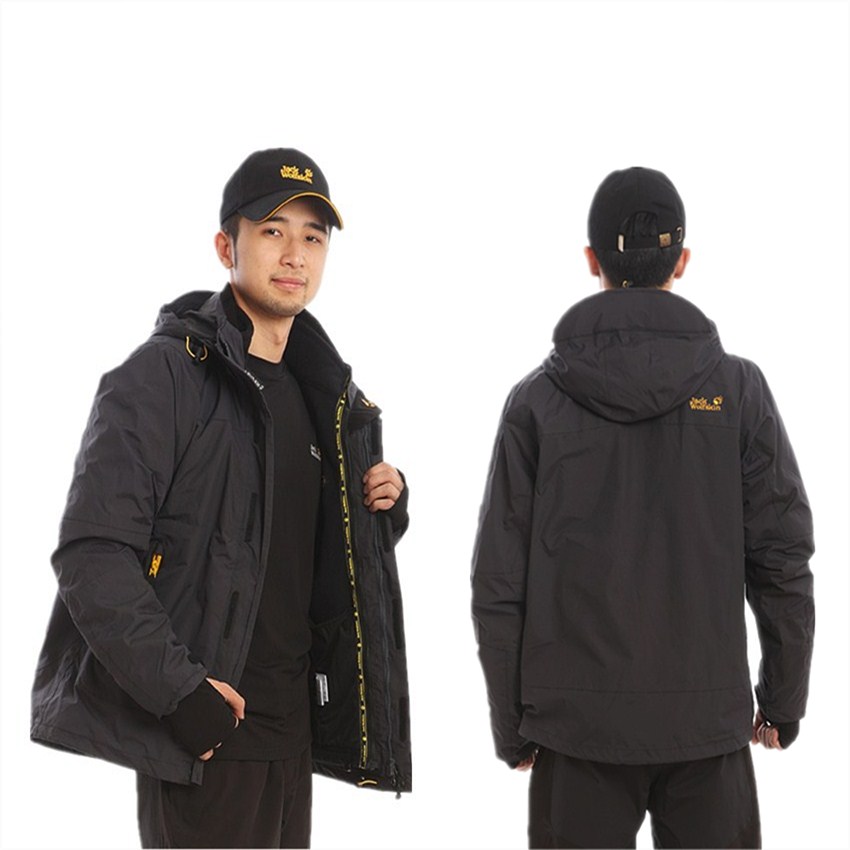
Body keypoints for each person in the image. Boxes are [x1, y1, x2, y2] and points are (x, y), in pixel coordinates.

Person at [31, 148, 412, 848]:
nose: (294, 254)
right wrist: (181, 695)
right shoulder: (160, 379)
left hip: (293, 738)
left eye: (313, 236)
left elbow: (286, 549)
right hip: (207, 742)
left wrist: (381, 511)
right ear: (225, 246)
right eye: (272, 230)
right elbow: (92, 554)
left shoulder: (327, 397)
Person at [470, 167, 814, 849]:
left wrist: (514, 724)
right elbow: (781, 559)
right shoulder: (739, 391)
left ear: (591, 259)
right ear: (681, 260)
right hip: (705, 729)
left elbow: (498, 583)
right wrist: (783, 700)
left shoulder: (536, 403)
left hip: (576, 731)